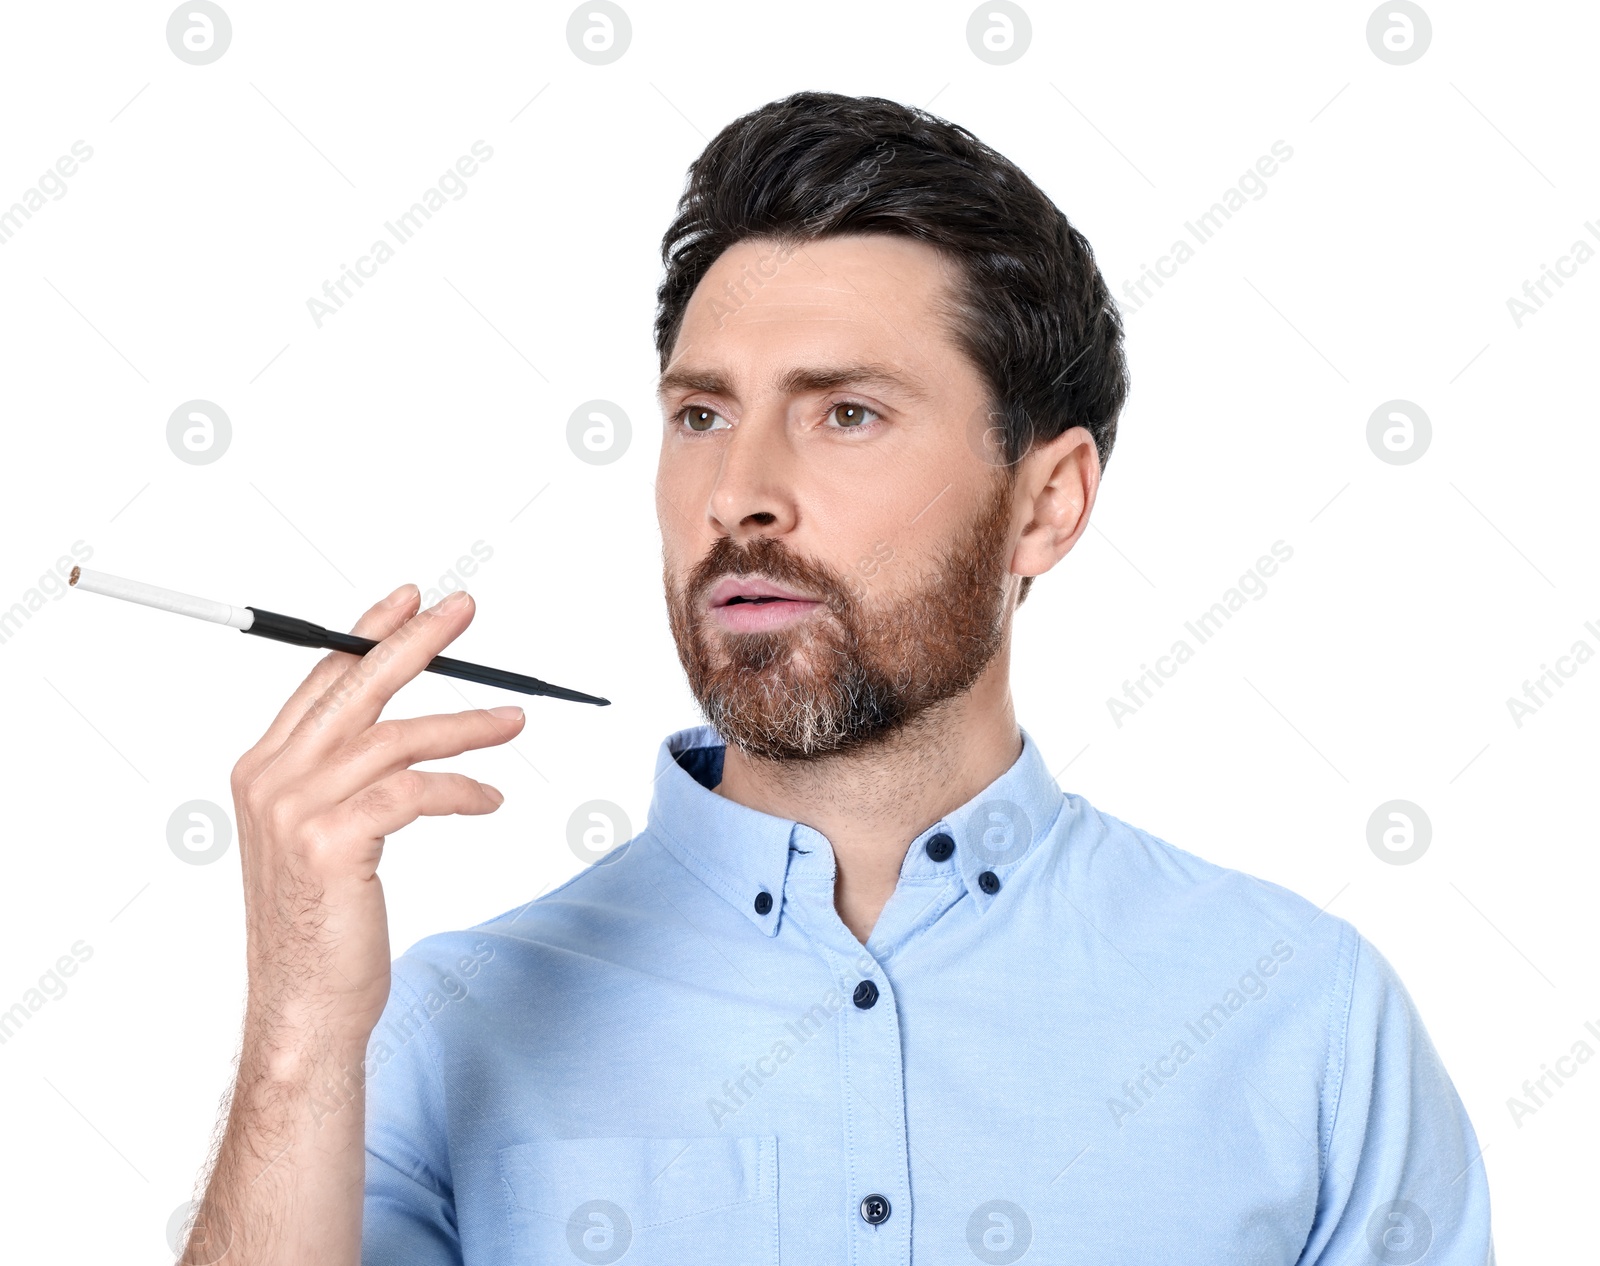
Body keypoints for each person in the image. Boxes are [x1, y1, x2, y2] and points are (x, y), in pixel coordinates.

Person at [180, 92, 1492, 1265]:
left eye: (845, 412)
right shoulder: (436, 1026)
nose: (739, 494)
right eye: (702, 414)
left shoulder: (1302, 1018)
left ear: (1046, 505)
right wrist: (297, 1028)